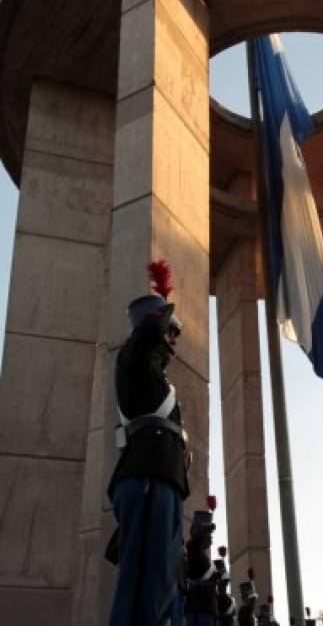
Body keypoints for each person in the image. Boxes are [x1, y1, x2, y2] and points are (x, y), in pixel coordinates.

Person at [108, 260, 191, 626]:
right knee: (143, 585)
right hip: (146, 477)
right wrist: (162, 298)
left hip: (164, 479)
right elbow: (145, 336)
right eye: (170, 331)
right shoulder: (132, 361)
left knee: (163, 584)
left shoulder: (158, 379)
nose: (174, 340)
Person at [185, 504, 220, 626]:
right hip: (203, 608)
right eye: (209, 534)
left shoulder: (194, 550)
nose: (211, 539)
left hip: (198, 607)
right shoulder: (195, 550)